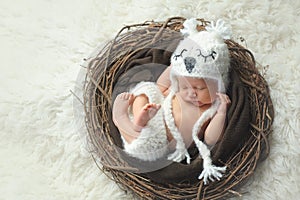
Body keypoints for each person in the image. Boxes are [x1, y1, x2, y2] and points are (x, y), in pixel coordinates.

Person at [112, 18, 232, 184]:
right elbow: (160, 86)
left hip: (162, 139)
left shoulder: (212, 108)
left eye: (199, 88)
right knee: (147, 89)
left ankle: (120, 119)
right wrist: (175, 68)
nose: (191, 93)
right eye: (184, 86)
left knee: (147, 146)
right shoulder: (175, 89)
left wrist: (222, 112)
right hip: (155, 111)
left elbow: (211, 139)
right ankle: (139, 118)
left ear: (218, 84)